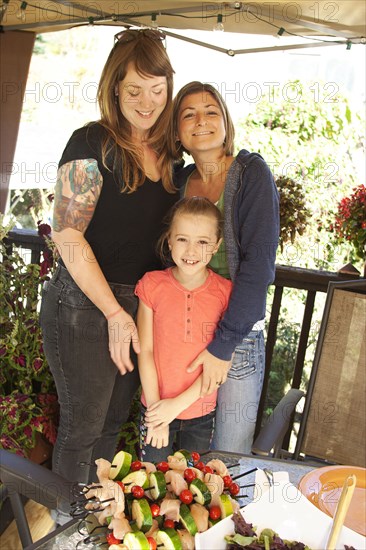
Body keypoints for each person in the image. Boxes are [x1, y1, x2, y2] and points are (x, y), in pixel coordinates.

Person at [40, 29, 177, 524]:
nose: (146, 102)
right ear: (114, 88)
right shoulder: (91, 142)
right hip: (84, 304)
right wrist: (115, 314)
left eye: (157, 90)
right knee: (82, 428)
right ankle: (66, 530)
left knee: (113, 425)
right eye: (134, 89)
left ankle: (95, 525)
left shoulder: (171, 155)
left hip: (137, 305)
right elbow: (68, 236)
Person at [168, 81, 280, 454]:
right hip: (182, 332)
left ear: (225, 124)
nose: (201, 121)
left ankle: (236, 517)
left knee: (229, 458)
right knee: (179, 453)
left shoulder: (251, 174)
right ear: (178, 131)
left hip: (237, 338)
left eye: (211, 111)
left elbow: (257, 267)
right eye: (189, 114)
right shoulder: (180, 181)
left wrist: (223, 346)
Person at [136, 197, 232, 462]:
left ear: (216, 246)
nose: (191, 251)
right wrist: (157, 413)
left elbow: (221, 365)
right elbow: (145, 350)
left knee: (193, 488)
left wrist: (176, 406)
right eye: (182, 239)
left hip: (200, 411)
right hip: (155, 408)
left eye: (202, 242)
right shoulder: (151, 285)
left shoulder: (225, 293)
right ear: (169, 240)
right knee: (151, 485)